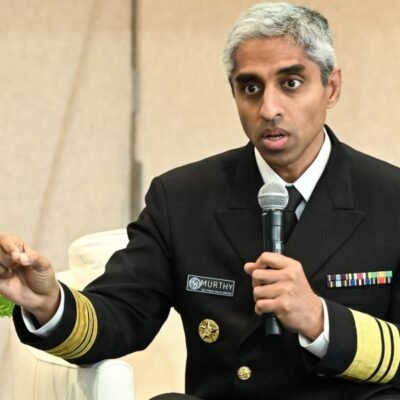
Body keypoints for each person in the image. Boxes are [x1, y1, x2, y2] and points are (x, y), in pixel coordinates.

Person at [1, 2, 400, 399]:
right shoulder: (183, 199)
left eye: (291, 83)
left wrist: (320, 320)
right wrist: (47, 303)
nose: (269, 109)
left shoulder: (390, 198)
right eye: (250, 88)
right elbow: (121, 315)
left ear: (331, 87)